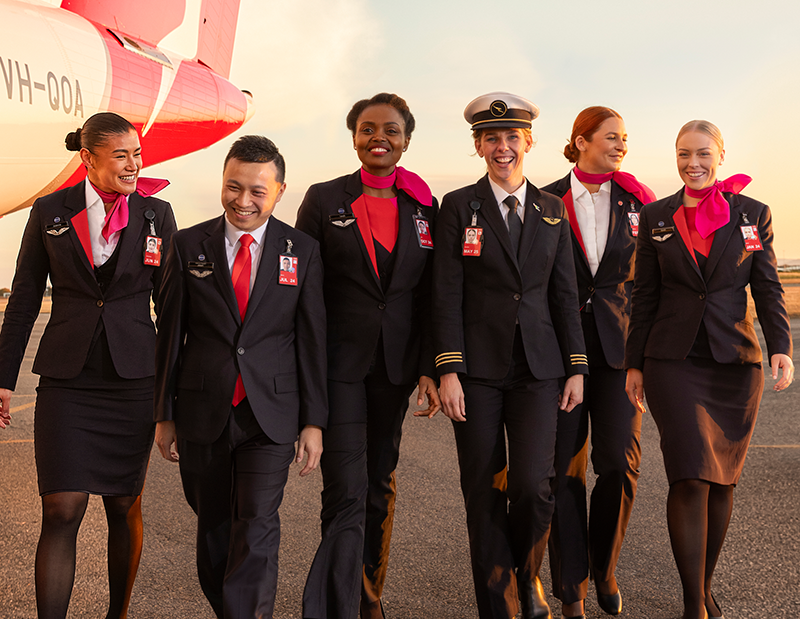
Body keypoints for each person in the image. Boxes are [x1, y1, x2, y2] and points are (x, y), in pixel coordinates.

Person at [0, 112, 176, 619]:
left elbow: (170, 306)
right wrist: (3, 378)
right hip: (68, 380)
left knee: (123, 506)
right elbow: (25, 297)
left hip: (133, 380)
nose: (133, 164)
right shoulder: (49, 211)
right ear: (88, 159)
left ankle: (116, 614)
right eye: (120, 155)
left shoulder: (156, 215)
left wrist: (171, 396)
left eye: (137, 154)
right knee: (61, 507)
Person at [624, 120, 794, 619]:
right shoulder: (656, 215)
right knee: (690, 476)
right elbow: (645, 295)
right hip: (672, 361)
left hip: (735, 364)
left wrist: (779, 345)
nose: (691, 163)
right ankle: (692, 604)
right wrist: (634, 363)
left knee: (721, 481)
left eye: (701, 153)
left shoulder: (752, 214)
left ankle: (703, 586)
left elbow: (766, 286)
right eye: (683, 154)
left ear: (720, 154)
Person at [153, 135, 327, 619]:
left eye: (257, 191)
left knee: (256, 523)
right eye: (233, 187)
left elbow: (311, 340)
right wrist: (163, 414)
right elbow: (170, 334)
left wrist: (314, 421)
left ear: (280, 191)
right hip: (202, 410)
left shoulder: (303, 250)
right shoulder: (189, 244)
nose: (243, 201)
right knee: (213, 529)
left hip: (270, 414)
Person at [432, 91, 587, 619]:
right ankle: (498, 607)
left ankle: (528, 573)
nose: (503, 147)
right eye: (492, 138)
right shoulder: (456, 207)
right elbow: (446, 292)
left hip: (540, 369)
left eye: (511, 138)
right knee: (482, 488)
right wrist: (447, 368)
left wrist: (577, 367)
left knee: (532, 487)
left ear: (529, 143)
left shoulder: (551, 210)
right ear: (478, 145)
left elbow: (564, 294)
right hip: (475, 371)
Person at [296, 92, 440, 619]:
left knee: (380, 480)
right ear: (354, 136)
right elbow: (302, 289)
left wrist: (429, 366)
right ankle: (343, 601)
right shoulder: (323, 198)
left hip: (396, 367)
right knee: (345, 484)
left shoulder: (425, 206)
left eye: (391, 129)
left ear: (406, 138)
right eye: (367, 128)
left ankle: (367, 592)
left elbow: (431, 296)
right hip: (339, 364)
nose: (379, 136)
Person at [541, 106, 656, 619]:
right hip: (560, 353)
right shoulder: (545, 200)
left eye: (625, 138)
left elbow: (654, 281)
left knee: (620, 465)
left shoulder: (639, 201)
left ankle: (604, 566)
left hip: (620, 351)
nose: (621, 145)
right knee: (563, 470)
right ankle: (572, 588)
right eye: (612, 137)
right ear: (580, 140)